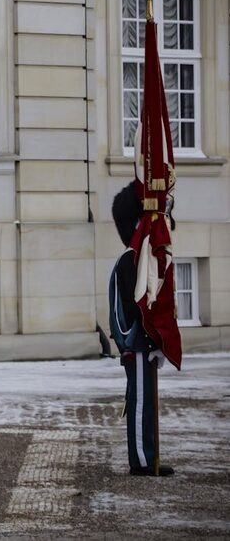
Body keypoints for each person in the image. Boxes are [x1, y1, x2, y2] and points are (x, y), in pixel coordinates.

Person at [109, 182, 173, 477]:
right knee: (139, 403)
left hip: (143, 342)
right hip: (136, 343)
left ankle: (149, 455)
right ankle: (142, 460)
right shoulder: (129, 260)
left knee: (146, 402)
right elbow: (135, 307)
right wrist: (149, 339)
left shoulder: (137, 258)